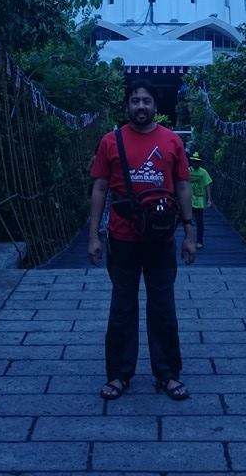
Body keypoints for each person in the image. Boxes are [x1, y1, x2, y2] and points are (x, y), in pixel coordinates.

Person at [88, 80, 197, 402]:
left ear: (155, 106)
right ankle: (119, 374)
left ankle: (168, 374)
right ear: (127, 106)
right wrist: (93, 236)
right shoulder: (110, 141)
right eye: (135, 100)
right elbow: (99, 188)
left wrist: (189, 234)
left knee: (163, 307)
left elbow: (183, 187)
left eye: (146, 101)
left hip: (161, 238)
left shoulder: (172, 141)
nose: (140, 106)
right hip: (122, 238)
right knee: (122, 307)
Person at [188, 151, 213, 249]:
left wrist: (209, 199)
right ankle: (189, 239)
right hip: (189, 199)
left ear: (200, 162)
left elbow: (207, 185)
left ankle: (199, 241)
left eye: (197, 161)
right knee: (187, 221)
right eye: (194, 161)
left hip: (199, 200)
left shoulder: (203, 172)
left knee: (199, 222)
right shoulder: (188, 171)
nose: (195, 163)